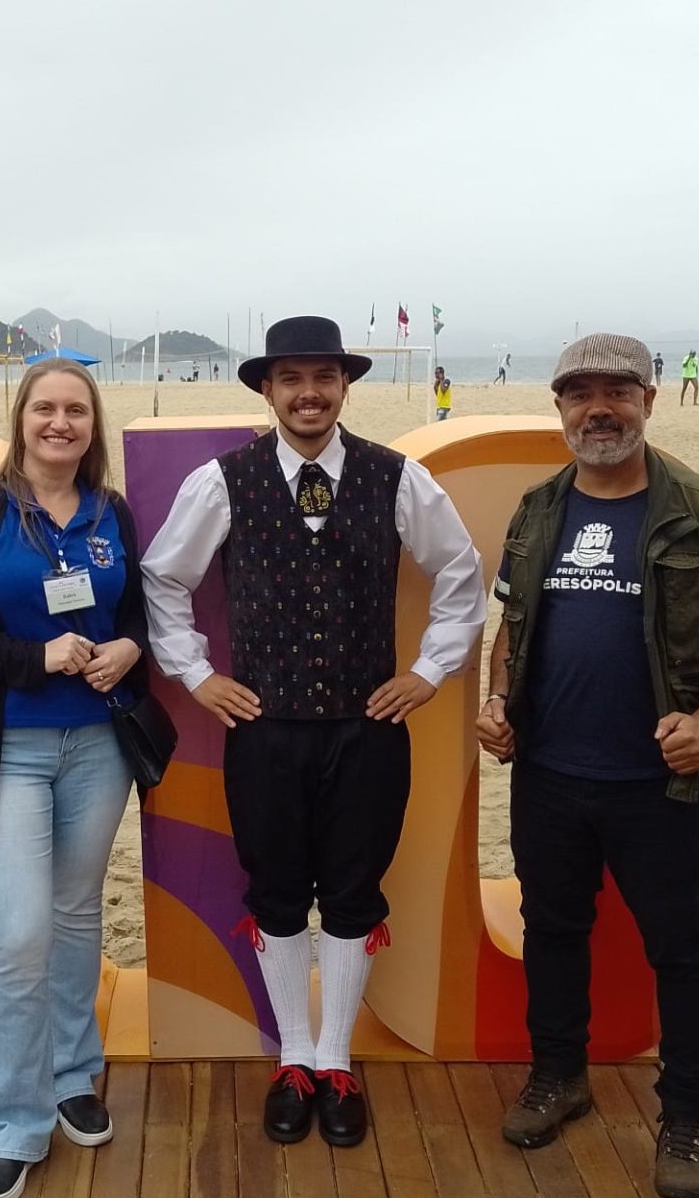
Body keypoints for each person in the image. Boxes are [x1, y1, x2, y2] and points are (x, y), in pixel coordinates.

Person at [143, 315, 485, 1150]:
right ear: (268, 389)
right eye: (291, 378)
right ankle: (294, 1055)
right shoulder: (223, 482)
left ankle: (336, 1058)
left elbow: (461, 571)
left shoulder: (396, 478)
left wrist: (429, 670)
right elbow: (163, 578)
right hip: (265, 732)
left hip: (368, 730)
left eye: (324, 377)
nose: (309, 393)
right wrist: (198, 674)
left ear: (344, 387)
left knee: (355, 889)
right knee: (277, 889)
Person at [476, 333, 699, 1198]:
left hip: (663, 784)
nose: (599, 409)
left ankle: (688, 1114)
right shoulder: (539, 508)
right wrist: (498, 702)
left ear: (650, 400)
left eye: (617, 391)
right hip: (549, 775)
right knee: (552, 929)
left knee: (682, 949)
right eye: (580, 393)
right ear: (560, 407)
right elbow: (512, 628)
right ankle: (558, 1075)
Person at [0, 358, 149, 1198]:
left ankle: (72, 1073)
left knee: (77, 915)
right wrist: (30, 657)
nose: (60, 422)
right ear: (20, 419)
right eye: (45, 407)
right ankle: (12, 1122)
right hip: (8, 750)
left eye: (76, 409)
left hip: (98, 747)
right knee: (19, 936)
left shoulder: (111, 512)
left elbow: (134, 609)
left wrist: (129, 646)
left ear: (92, 424)